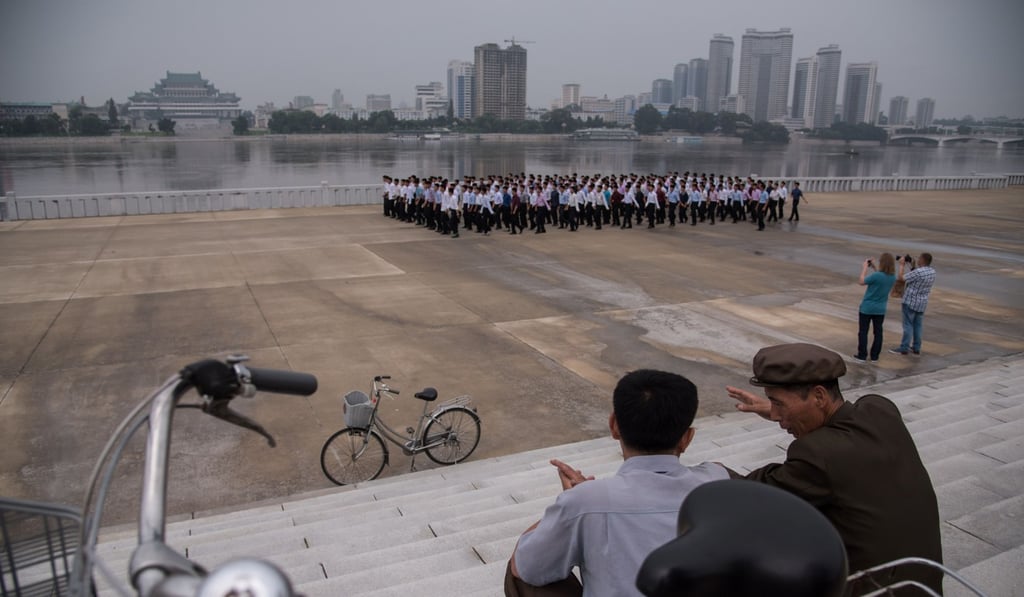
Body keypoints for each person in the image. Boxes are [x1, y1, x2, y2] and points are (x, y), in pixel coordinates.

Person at [726, 343, 943, 594]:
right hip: (924, 585)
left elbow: (754, 493)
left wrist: (709, 471)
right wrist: (777, 408)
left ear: (819, 396)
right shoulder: (880, 410)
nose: (775, 415)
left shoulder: (817, 454)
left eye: (779, 404)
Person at [506, 370, 729, 597]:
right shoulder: (718, 480)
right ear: (687, 438)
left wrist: (571, 502)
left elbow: (524, 568)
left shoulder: (586, 501)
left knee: (526, 565)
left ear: (614, 426)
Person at [855, 253, 897, 362]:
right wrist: (874, 267)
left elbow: (861, 281)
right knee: (878, 332)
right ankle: (875, 356)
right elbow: (881, 276)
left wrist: (865, 268)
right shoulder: (892, 277)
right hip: (880, 309)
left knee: (863, 331)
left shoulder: (876, 276)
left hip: (867, 307)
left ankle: (862, 354)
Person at [891, 253, 936, 356]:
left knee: (908, 325)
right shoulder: (932, 272)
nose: (918, 259)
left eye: (919, 258)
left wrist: (902, 265)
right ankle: (916, 347)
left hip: (910, 301)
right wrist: (912, 265)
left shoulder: (918, 272)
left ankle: (904, 348)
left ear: (923, 260)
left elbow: (901, 278)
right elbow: (916, 276)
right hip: (922, 302)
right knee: (918, 326)